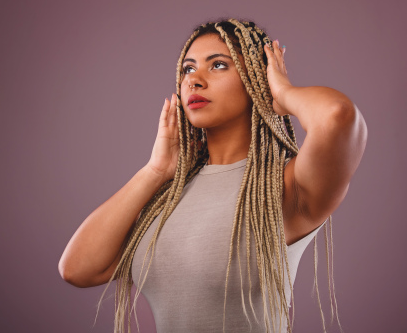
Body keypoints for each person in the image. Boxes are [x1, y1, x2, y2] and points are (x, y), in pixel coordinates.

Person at [58, 18, 368, 333]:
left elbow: (336, 116)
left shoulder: (286, 186)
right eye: (187, 70)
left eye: (218, 65)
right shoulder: (168, 195)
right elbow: (77, 269)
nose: (195, 80)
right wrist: (154, 171)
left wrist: (283, 94)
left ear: (257, 79)